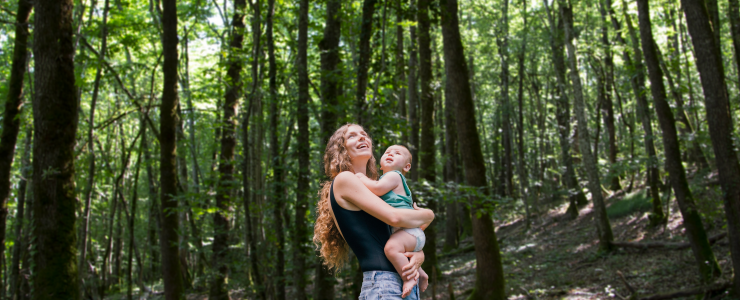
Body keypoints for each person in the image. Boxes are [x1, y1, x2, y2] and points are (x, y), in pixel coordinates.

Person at [313, 124, 435, 299]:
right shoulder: (344, 179)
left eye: (364, 134)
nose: (362, 137)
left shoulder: (375, 189)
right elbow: (395, 217)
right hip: (384, 285)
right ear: (341, 149)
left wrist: (418, 255)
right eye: (352, 136)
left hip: (400, 283)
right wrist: (429, 215)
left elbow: (396, 234)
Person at [355, 145, 429, 295]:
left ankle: (408, 278)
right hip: (408, 234)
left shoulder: (394, 176)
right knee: (400, 251)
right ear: (380, 165)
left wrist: (361, 178)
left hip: (409, 232)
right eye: (387, 152)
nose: (390, 154)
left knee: (391, 249)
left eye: (397, 153)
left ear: (407, 167)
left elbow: (376, 189)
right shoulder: (389, 180)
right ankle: (420, 273)